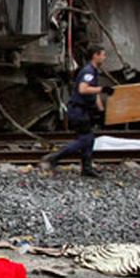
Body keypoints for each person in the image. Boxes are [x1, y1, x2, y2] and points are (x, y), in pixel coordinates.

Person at [41, 45, 114, 178]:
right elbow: (83, 89)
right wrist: (103, 89)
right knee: (85, 139)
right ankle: (54, 157)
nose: (104, 57)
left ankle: (86, 168)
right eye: (103, 54)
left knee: (89, 139)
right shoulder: (88, 71)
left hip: (83, 110)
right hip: (78, 111)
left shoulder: (93, 71)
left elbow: (94, 92)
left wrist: (101, 111)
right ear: (95, 55)